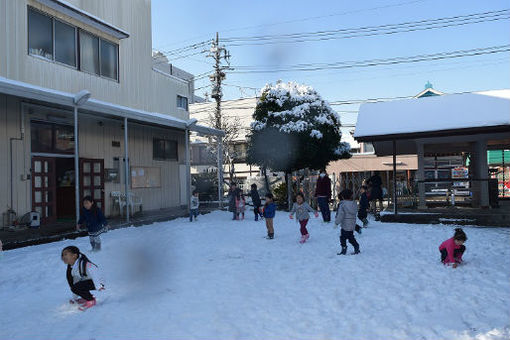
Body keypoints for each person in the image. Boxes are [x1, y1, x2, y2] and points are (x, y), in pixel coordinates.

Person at [61, 245, 105, 310]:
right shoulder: (71, 267)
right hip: (88, 281)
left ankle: (91, 300)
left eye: (65, 254)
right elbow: (74, 283)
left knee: (79, 286)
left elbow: (94, 272)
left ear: (74, 255)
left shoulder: (84, 263)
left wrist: (99, 286)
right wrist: (75, 298)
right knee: (77, 286)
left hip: (98, 281)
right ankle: (86, 297)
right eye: (62, 255)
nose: (63, 257)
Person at [335, 189, 360, 255]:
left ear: (342, 197)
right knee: (351, 237)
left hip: (345, 225)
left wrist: (336, 222)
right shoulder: (354, 204)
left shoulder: (343, 205)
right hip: (352, 224)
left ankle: (344, 249)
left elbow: (340, 214)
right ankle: (356, 246)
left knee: (343, 237)